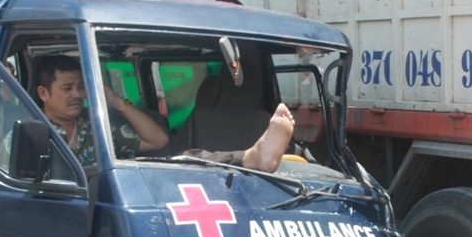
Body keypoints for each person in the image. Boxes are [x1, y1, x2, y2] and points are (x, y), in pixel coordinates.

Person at [32, 54, 294, 172]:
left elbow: (159, 142)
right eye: (67, 88)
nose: (77, 94)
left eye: (81, 87)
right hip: (70, 209)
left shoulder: (96, 125)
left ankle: (252, 157)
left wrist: (115, 101)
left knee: (181, 160)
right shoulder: (31, 132)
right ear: (43, 93)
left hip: (116, 197)